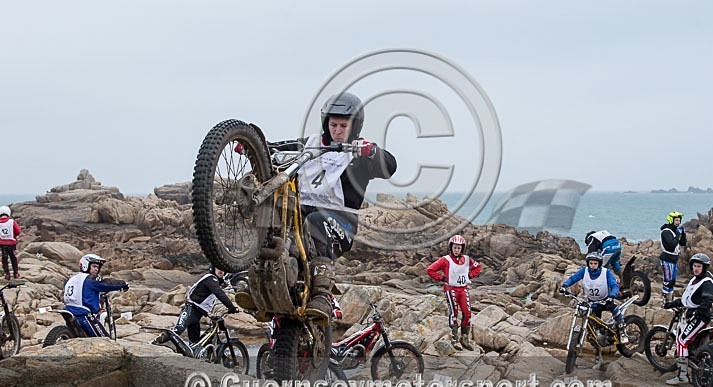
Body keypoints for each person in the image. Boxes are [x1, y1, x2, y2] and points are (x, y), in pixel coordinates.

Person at [269, 92, 397, 320]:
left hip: (341, 224)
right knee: (274, 217)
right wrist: (252, 145)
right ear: (326, 123)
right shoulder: (310, 144)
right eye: (333, 124)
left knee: (315, 221)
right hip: (302, 216)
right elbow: (276, 147)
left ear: (354, 126)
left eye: (343, 125)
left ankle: (322, 293)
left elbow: (390, 165)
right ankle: (252, 277)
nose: (337, 130)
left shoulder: (360, 152)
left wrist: (372, 151)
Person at [662, 253, 713, 385]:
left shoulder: (706, 283)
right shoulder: (694, 280)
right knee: (686, 341)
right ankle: (688, 361)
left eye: (699, 266)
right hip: (691, 314)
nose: (696, 269)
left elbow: (707, 301)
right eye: (694, 266)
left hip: (699, 317)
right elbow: (687, 301)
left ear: (705, 268)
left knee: (681, 341)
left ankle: (682, 376)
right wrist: (672, 303)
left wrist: (697, 312)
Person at [153, 266, 239, 345]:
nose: (221, 271)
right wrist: (231, 307)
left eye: (223, 269)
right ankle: (154, 342)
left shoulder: (217, 282)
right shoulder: (210, 278)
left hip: (198, 314)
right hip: (191, 309)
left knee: (194, 342)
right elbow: (219, 293)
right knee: (178, 330)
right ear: (213, 269)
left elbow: (229, 290)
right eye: (218, 268)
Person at [560, 252, 628, 350]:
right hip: (592, 302)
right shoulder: (584, 271)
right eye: (591, 263)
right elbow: (573, 278)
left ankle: (622, 331)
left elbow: (614, 285)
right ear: (588, 263)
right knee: (594, 327)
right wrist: (565, 286)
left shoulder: (606, 272)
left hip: (605, 300)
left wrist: (612, 295)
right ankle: (597, 345)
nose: (593, 266)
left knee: (614, 308)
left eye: (595, 264)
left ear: (599, 264)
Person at [426, 235, 482, 351]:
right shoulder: (445, 260)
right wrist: (441, 278)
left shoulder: (467, 259)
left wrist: (470, 275)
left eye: (459, 248)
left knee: (467, 313)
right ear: (451, 248)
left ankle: (464, 338)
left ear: (462, 248)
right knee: (454, 313)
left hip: (463, 289)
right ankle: (454, 338)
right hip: (450, 289)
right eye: (455, 248)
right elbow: (430, 270)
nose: (457, 250)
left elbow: (478, 267)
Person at [63, 254, 129, 337]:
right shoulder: (90, 279)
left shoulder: (71, 279)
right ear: (85, 265)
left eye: (97, 267)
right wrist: (123, 284)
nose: (96, 269)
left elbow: (82, 291)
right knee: (105, 341)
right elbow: (107, 283)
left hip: (69, 312)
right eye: (94, 266)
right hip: (84, 315)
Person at [659, 211, 687, 300]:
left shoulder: (675, 231)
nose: (678, 223)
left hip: (674, 259)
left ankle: (670, 299)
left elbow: (683, 243)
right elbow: (671, 246)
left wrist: (683, 235)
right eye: (676, 221)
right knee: (668, 281)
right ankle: (665, 300)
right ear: (671, 220)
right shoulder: (666, 232)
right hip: (667, 259)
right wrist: (678, 234)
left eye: (679, 221)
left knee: (673, 280)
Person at [0, 205, 21, 280]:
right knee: (13, 258)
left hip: (2, 244)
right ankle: (16, 273)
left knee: (4, 258)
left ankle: (7, 274)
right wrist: (13, 236)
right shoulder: (12, 222)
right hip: (12, 244)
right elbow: (18, 231)